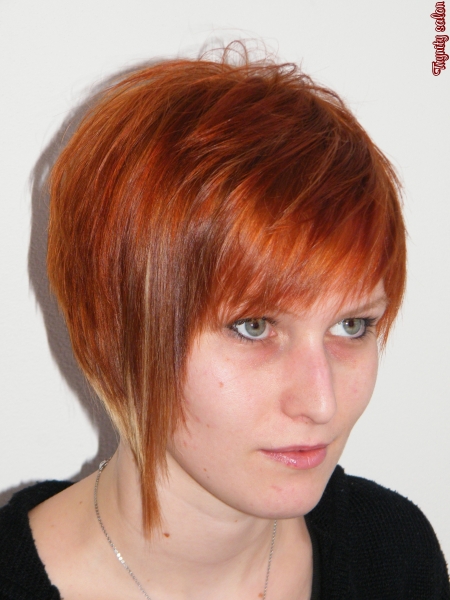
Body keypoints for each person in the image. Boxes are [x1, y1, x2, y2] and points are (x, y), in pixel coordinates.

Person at [0, 44, 448, 600]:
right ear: (118, 329)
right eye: (254, 326)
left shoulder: (393, 555)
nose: (321, 403)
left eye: (351, 326)